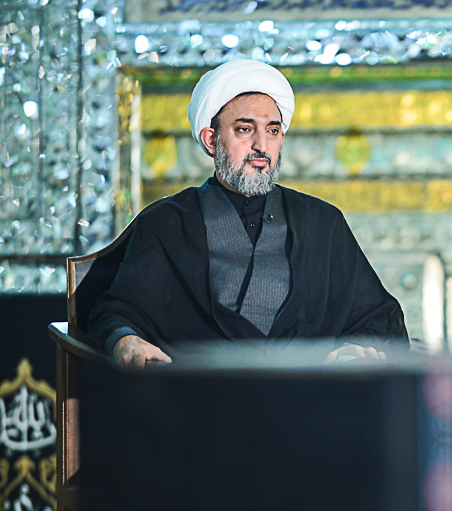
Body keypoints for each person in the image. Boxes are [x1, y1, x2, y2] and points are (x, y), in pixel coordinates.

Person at [89, 60, 408, 368]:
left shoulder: (322, 222)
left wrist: (354, 350)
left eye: (272, 131)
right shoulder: (167, 223)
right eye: (244, 129)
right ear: (211, 140)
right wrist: (126, 340)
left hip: (308, 394)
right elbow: (120, 312)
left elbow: (378, 317)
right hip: (200, 394)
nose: (261, 146)